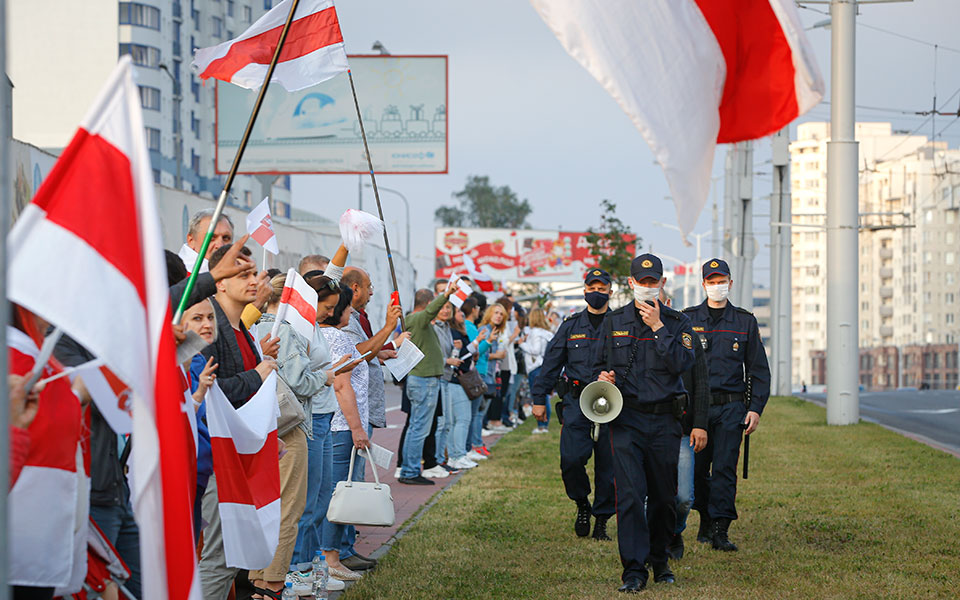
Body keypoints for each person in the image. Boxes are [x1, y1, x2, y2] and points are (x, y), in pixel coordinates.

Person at [594, 254, 696, 592]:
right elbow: (600, 363)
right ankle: (634, 571)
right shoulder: (614, 321)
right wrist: (603, 375)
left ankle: (660, 558)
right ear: (631, 283)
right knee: (631, 496)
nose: (647, 287)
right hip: (627, 420)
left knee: (665, 496)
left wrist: (657, 327)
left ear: (663, 284)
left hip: (665, 420)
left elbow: (683, 363)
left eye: (654, 282)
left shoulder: (677, 323)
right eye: (642, 281)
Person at [198, 244, 279, 600]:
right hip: (219, 456)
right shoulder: (208, 327)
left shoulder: (241, 325)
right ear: (219, 283)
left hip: (241, 452)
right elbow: (212, 392)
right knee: (220, 556)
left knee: (232, 556)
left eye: (251, 272)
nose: (253, 280)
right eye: (241, 274)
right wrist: (259, 376)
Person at [683, 258, 770, 552]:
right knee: (695, 471)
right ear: (704, 284)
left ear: (730, 284)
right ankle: (705, 512)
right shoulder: (687, 319)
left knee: (723, 469)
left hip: (731, 407)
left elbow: (758, 370)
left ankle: (720, 528)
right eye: (712, 281)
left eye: (722, 281)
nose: (717, 286)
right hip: (697, 408)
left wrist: (755, 408)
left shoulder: (745, 321)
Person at [531, 268, 616, 541]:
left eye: (602, 289)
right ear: (584, 291)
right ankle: (582, 503)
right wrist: (538, 399)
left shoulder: (621, 324)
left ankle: (601, 519)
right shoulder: (570, 325)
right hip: (577, 401)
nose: (597, 293)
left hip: (611, 401)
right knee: (571, 459)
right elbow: (551, 362)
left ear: (610, 292)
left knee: (609, 464)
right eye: (592, 287)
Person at [336, 266, 406, 570]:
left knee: (350, 480)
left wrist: (382, 351)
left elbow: (364, 352)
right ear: (354, 288)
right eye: (369, 286)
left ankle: (343, 544)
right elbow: (356, 354)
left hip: (360, 412)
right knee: (343, 485)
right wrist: (388, 329)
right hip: (346, 420)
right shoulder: (342, 324)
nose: (373, 291)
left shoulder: (355, 318)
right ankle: (335, 550)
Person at [318, 283, 370, 582]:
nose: (351, 311)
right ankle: (331, 558)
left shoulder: (319, 334)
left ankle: (327, 556)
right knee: (338, 495)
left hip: (330, 424)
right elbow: (342, 385)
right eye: (348, 307)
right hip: (341, 426)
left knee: (327, 494)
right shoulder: (338, 338)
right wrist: (357, 427)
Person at [656, 287, 710, 561]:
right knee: (649, 495)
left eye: (659, 301)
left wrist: (700, 424)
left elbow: (701, 382)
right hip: (649, 427)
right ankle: (655, 541)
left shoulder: (687, 334)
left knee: (683, 498)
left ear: (668, 304)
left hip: (681, 429)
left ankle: (676, 531)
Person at [445, 304, 479, 470]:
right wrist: (477, 343)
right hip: (456, 379)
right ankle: (457, 455)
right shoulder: (452, 332)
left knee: (457, 421)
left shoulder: (458, 331)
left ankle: (455, 455)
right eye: (458, 311)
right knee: (462, 419)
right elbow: (458, 356)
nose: (462, 314)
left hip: (457, 380)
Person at [432, 301, 464, 472]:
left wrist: (456, 351)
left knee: (448, 422)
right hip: (438, 377)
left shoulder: (446, 329)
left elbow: (448, 353)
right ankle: (436, 460)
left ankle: (440, 458)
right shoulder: (434, 328)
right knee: (441, 422)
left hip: (447, 376)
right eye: (442, 307)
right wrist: (448, 361)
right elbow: (430, 355)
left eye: (448, 308)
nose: (445, 311)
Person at [471, 304, 505, 459]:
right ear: (489, 313)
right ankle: (476, 444)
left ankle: (478, 443)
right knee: (478, 412)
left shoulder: (496, 330)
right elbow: (479, 353)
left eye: (501, 314)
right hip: (481, 373)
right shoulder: (484, 329)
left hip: (490, 373)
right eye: (496, 313)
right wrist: (497, 355)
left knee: (481, 412)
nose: (498, 316)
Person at [519, 307, 554, 433]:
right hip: (544, 366)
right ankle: (544, 424)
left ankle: (542, 425)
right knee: (544, 397)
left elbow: (535, 350)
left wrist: (521, 344)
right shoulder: (547, 332)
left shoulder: (535, 332)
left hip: (535, 367)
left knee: (539, 398)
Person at [179, 208, 235, 274]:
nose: (220, 245)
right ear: (191, 240)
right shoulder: (174, 275)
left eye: (226, 238)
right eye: (211, 238)